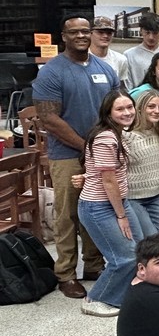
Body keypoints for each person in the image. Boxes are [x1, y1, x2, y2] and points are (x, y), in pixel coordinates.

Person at [33, 15, 120, 299]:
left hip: (101, 154)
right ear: (64, 36)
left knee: (95, 211)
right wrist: (87, 147)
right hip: (68, 155)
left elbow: (117, 107)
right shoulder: (52, 72)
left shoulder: (104, 70)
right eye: (75, 32)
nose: (82, 36)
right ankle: (66, 273)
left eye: (86, 31)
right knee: (68, 214)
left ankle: (94, 266)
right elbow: (49, 119)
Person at [77, 90, 147, 316]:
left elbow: (98, 170)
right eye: (120, 109)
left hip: (116, 203)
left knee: (139, 250)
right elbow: (108, 180)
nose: (127, 112)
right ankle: (96, 298)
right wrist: (121, 215)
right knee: (123, 258)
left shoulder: (116, 133)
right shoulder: (106, 137)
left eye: (129, 107)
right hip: (99, 206)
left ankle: (122, 294)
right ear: (108, 112)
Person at [127, 89, 159, 235]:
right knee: (151, 238)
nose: (157, 111)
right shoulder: (127, 135)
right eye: (151, 106)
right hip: (134, 198)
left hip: (157, 195)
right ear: (140, 108)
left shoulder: (158, 132)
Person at [124, 12, 159, 89]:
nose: (151, 37)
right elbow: (128, 85)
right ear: (141, 31)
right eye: (147, 32)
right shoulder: (129, 55)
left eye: (155, 33)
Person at [89, 15, 129, 84]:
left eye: (109, 33)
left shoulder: (120, 59)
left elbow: (121, 87)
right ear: (90, 33)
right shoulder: (81, 58)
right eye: (100, 32)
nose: (105, 36)